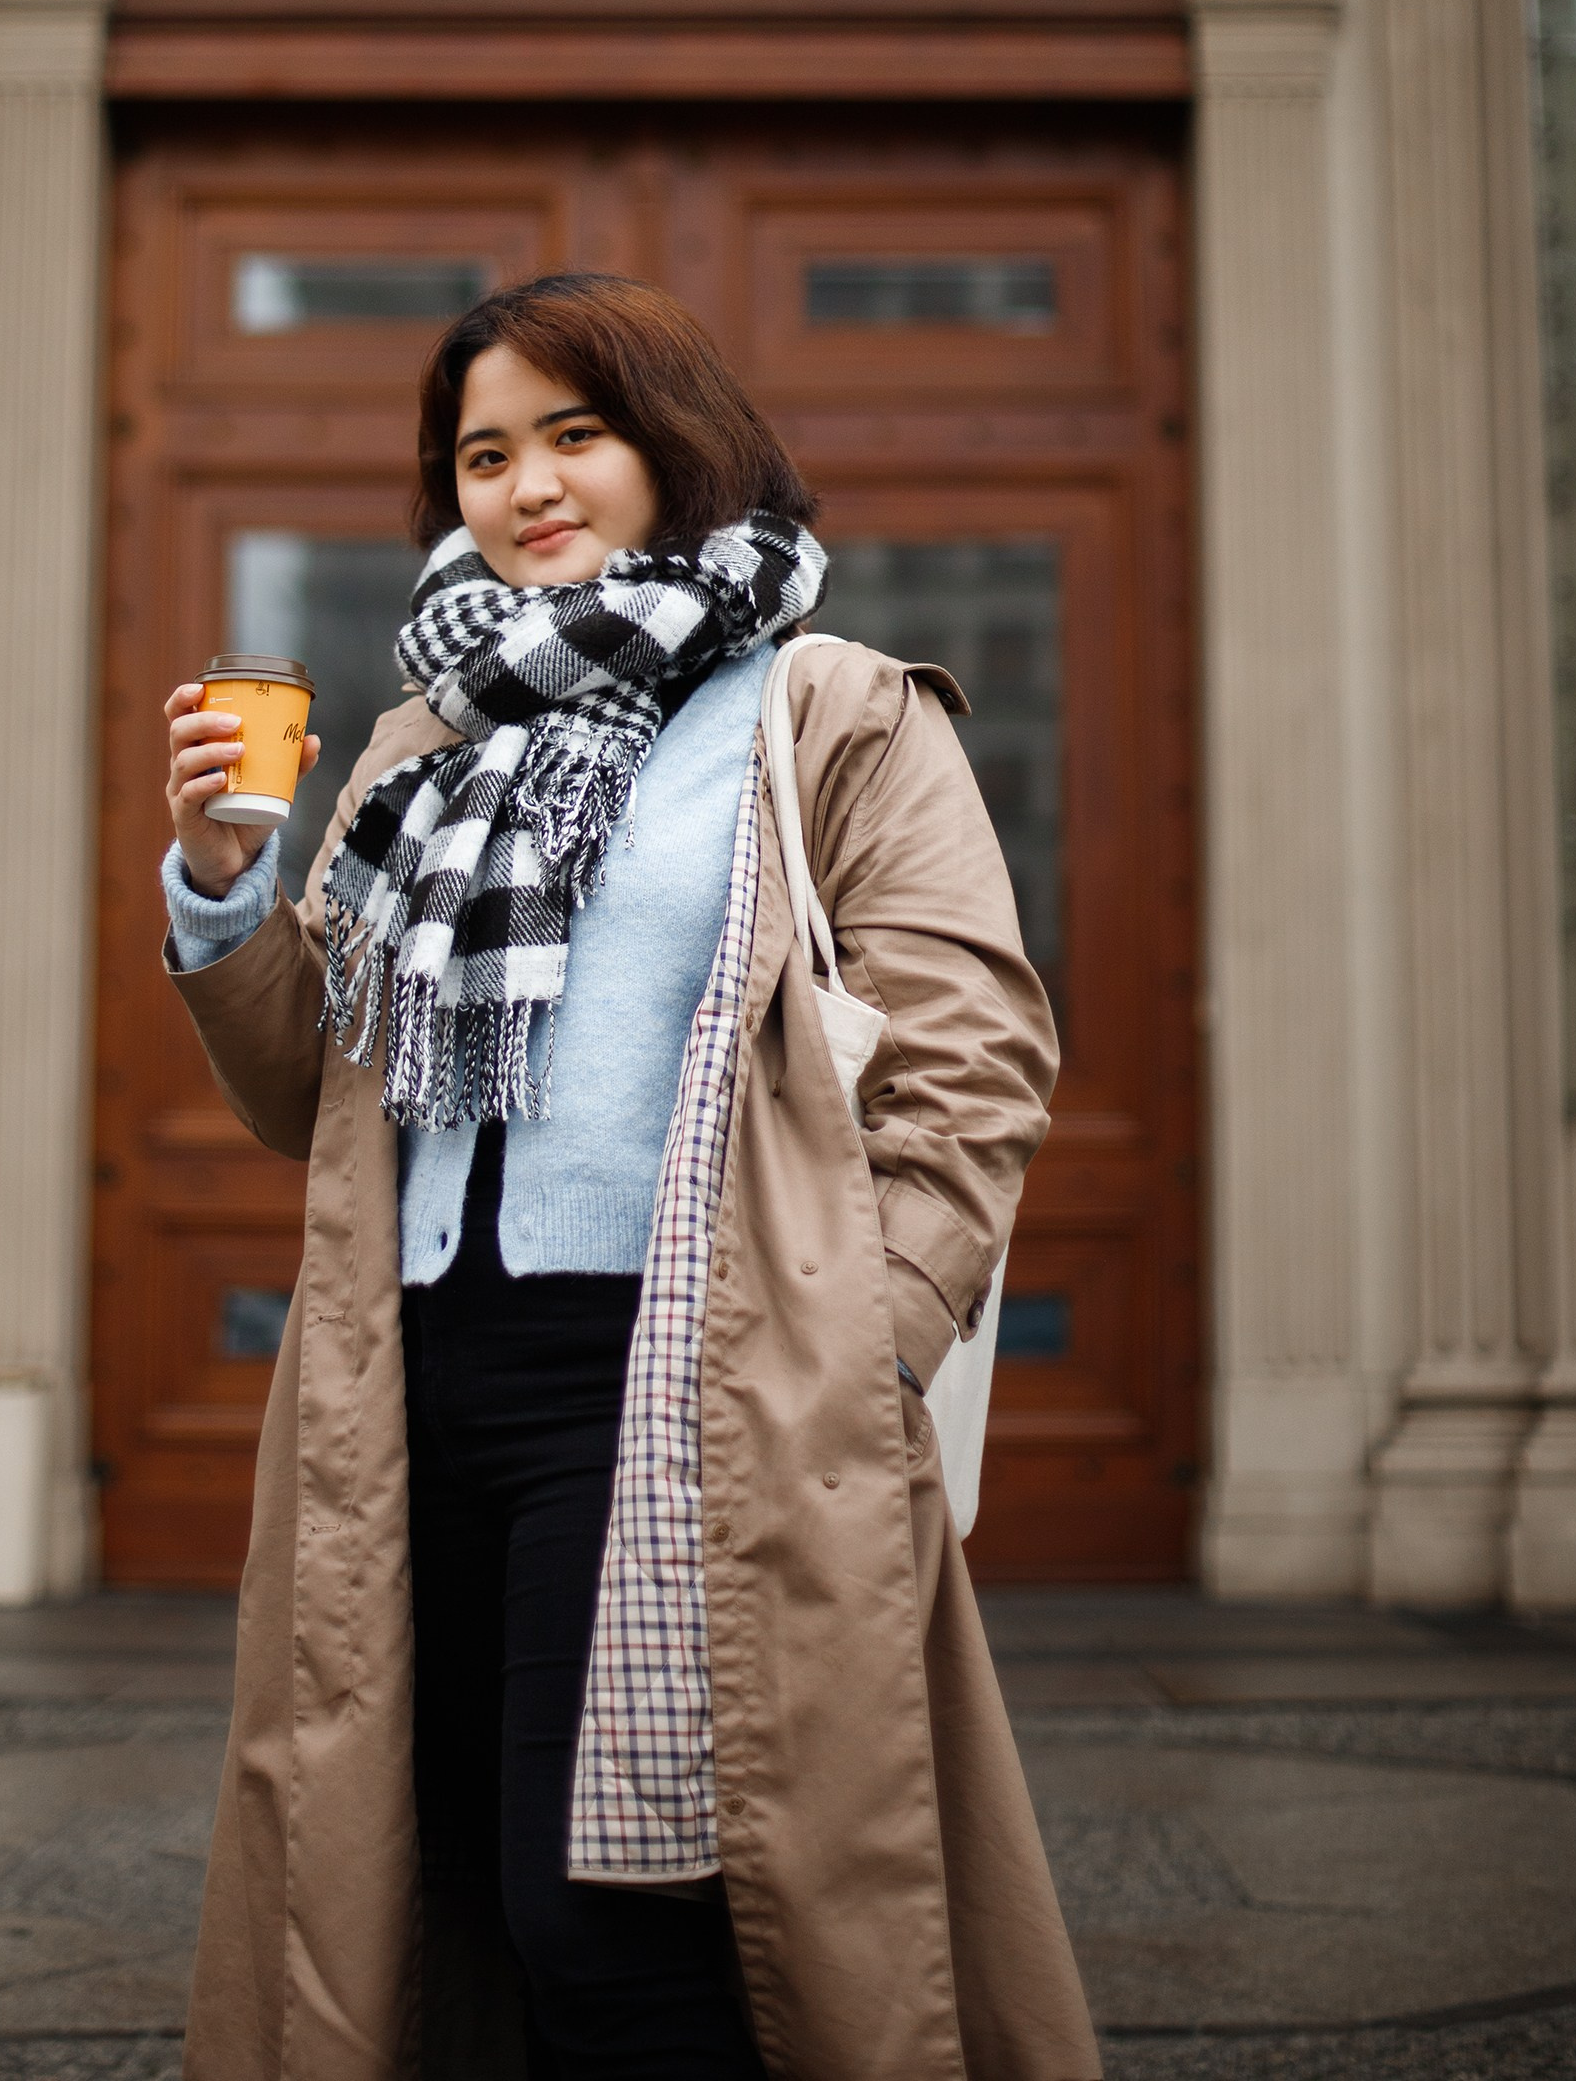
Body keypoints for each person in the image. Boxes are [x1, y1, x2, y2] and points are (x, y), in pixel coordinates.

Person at [161, 271, 1099, 2081]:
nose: (525, 485)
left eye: (573, 435)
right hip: (412, 1389)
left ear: (676, 446)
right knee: (426, 1896)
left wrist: (863, 1340)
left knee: (622, 1904)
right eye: (483, 453)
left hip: (683, 1374)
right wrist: (217, 879)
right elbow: (316, 1096)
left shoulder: (820, 710)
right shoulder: (421, 749)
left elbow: (974, 1054)